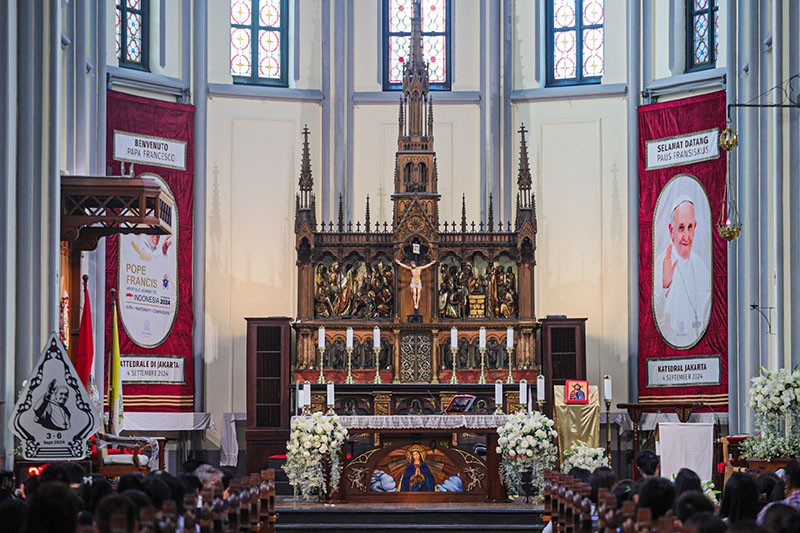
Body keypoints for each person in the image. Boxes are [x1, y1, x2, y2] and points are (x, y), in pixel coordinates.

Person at [654, 197, 712, 347]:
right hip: (671, 345)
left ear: (695, 227)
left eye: (690, 227)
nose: (686, 237)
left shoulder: (701, 266)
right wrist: (665, 285)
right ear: (671, 230)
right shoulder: (660, 264)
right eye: (681, 228)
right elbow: (653, 316)